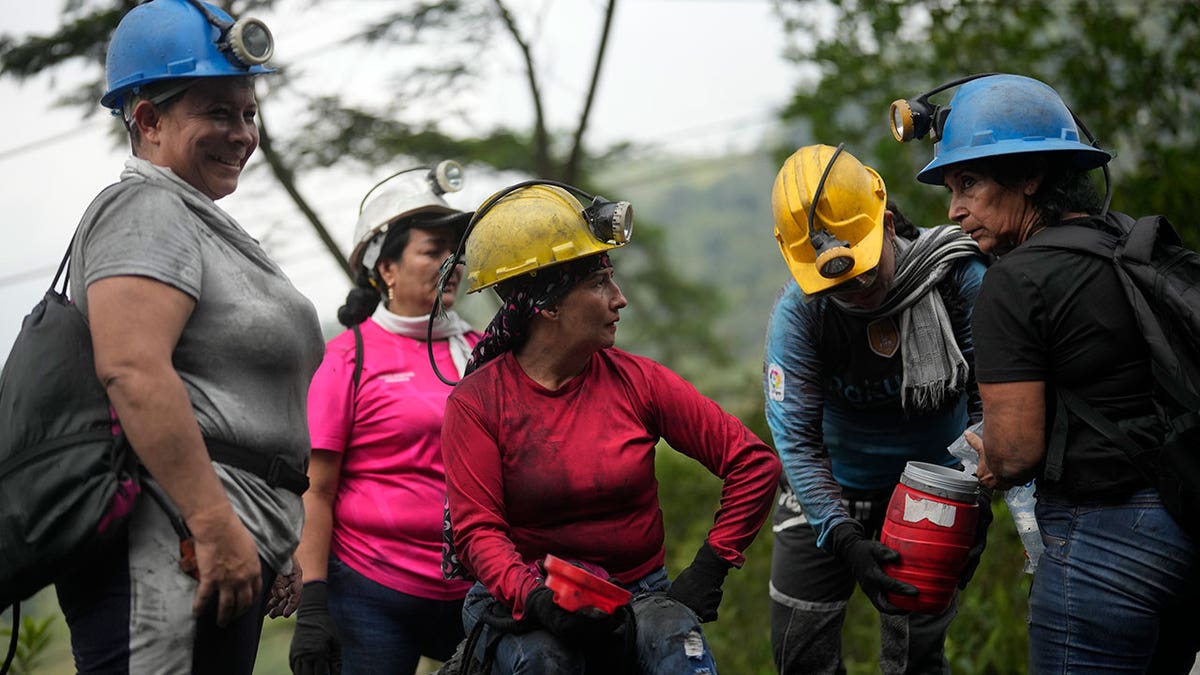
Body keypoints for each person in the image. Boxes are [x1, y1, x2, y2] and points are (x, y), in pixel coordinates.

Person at [53, 0, 324, 672]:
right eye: (217, 112)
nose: (241, 134)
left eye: (248, 113)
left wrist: (272, 535)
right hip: (168, 538)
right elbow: (133, 369)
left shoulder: (200, 221)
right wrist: (212, 520)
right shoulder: (145, 207)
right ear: (147, 120)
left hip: (221, 538)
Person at [906, 72, 1200, 672]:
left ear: (1030, 176)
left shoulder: (1013, 282)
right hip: (1184, 524)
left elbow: (1015, 451)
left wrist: (986, 459)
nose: (955, 211)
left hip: (1105, 547)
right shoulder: (1125, 244)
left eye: (969, 184)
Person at [438, 183, 782, 674]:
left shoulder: (637, 381)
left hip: (638, 594)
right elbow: (478, 532)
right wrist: (534, 598)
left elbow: (752, 463)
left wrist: (712, 564)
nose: (619, 299)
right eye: (599, 284)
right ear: (547, 304)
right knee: (544, 661)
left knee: (679, 654)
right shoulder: (477, 404)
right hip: (527, 599)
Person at [764, 144, 990, 674]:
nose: (857, 292)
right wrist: (840, 535)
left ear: (886, 224)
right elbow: (795, 438)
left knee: (915, 657)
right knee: (799, 651)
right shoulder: (801, 315)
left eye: (864, 273)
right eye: (836, 283)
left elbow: (994, 399)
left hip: (935, 485)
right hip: (829, 484)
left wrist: (974, 494)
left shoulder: (957, 278)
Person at [289, 162, 479, 675]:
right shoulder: (346, 359)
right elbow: (317, 490)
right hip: (371, 592)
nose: (450, 263)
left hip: (478, 590)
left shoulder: (484, 354)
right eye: (432, 250)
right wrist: (312, 601)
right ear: (387, 268)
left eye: (455, 253)